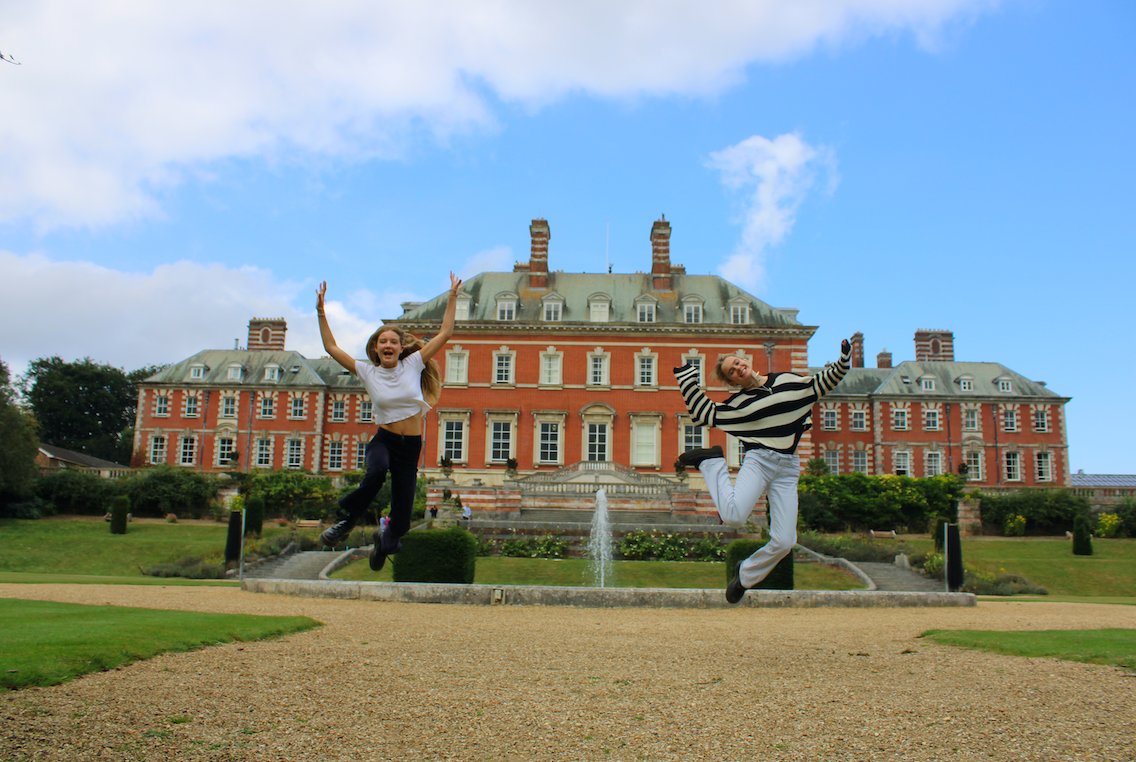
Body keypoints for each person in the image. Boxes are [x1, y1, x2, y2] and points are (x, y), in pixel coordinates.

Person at [674, 338, 851, 603]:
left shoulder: (786, 382)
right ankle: (711, 462)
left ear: (746, 361)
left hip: (788, 467)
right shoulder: (740, 404)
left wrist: (844, 359)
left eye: (737, 363)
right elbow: (703, 413)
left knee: (785, 541)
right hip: (760, 461)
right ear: (732, 382)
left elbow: (821, 383)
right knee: (733, 517)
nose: (737, 369)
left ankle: (744, 575)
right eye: (731, 372)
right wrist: (688, 377)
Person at [316, 273, 462, 571]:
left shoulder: (414, 363)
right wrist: (321, 311)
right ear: (376, 348)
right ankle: (346, 521)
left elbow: (445, 333)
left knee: (403, 519)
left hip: (410, 448)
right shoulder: (366, 371)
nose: (388, 345)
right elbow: (332, 348)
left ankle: (385, 542)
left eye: (393, 341)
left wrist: (453, 297)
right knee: (377, 471)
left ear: (399, 347)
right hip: (384, 440)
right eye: (383, 341)